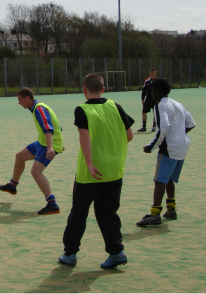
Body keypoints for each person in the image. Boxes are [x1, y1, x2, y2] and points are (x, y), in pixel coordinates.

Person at [58, 73, 134, 269]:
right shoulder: (116, 106)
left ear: (84, 90)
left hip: (90, 174)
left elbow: (84, 137)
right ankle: (116, 252)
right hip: (114, 171)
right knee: (108, 213)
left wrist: (90, 164)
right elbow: (129, 136)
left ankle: (70, 253)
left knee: (78, 213)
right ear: (103, 89)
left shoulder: (82, 110)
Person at [135, 78, 196, 226]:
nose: (151, 94)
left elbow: (164, 128)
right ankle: (171, 209)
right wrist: (179, 134)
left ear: (159, 92)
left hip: (169, 147)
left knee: (159, 180)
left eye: (152, 91)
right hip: (182, 146)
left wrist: (152, 146)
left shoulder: (160, 105)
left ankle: (155, 213)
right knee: (168, 179)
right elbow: (191, 123)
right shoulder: (177, 104)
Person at [0, 88, 65, 215]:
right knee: (20, 156)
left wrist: (51, 147)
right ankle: (12, 186)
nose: (19, 103)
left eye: (20, 100)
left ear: (27, 98)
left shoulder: (39, 109)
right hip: (42, 142)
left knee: (36, 172)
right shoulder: (37, 108)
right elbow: (57, 126)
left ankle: (52, 204)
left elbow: (48, 128)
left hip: (47, 145)